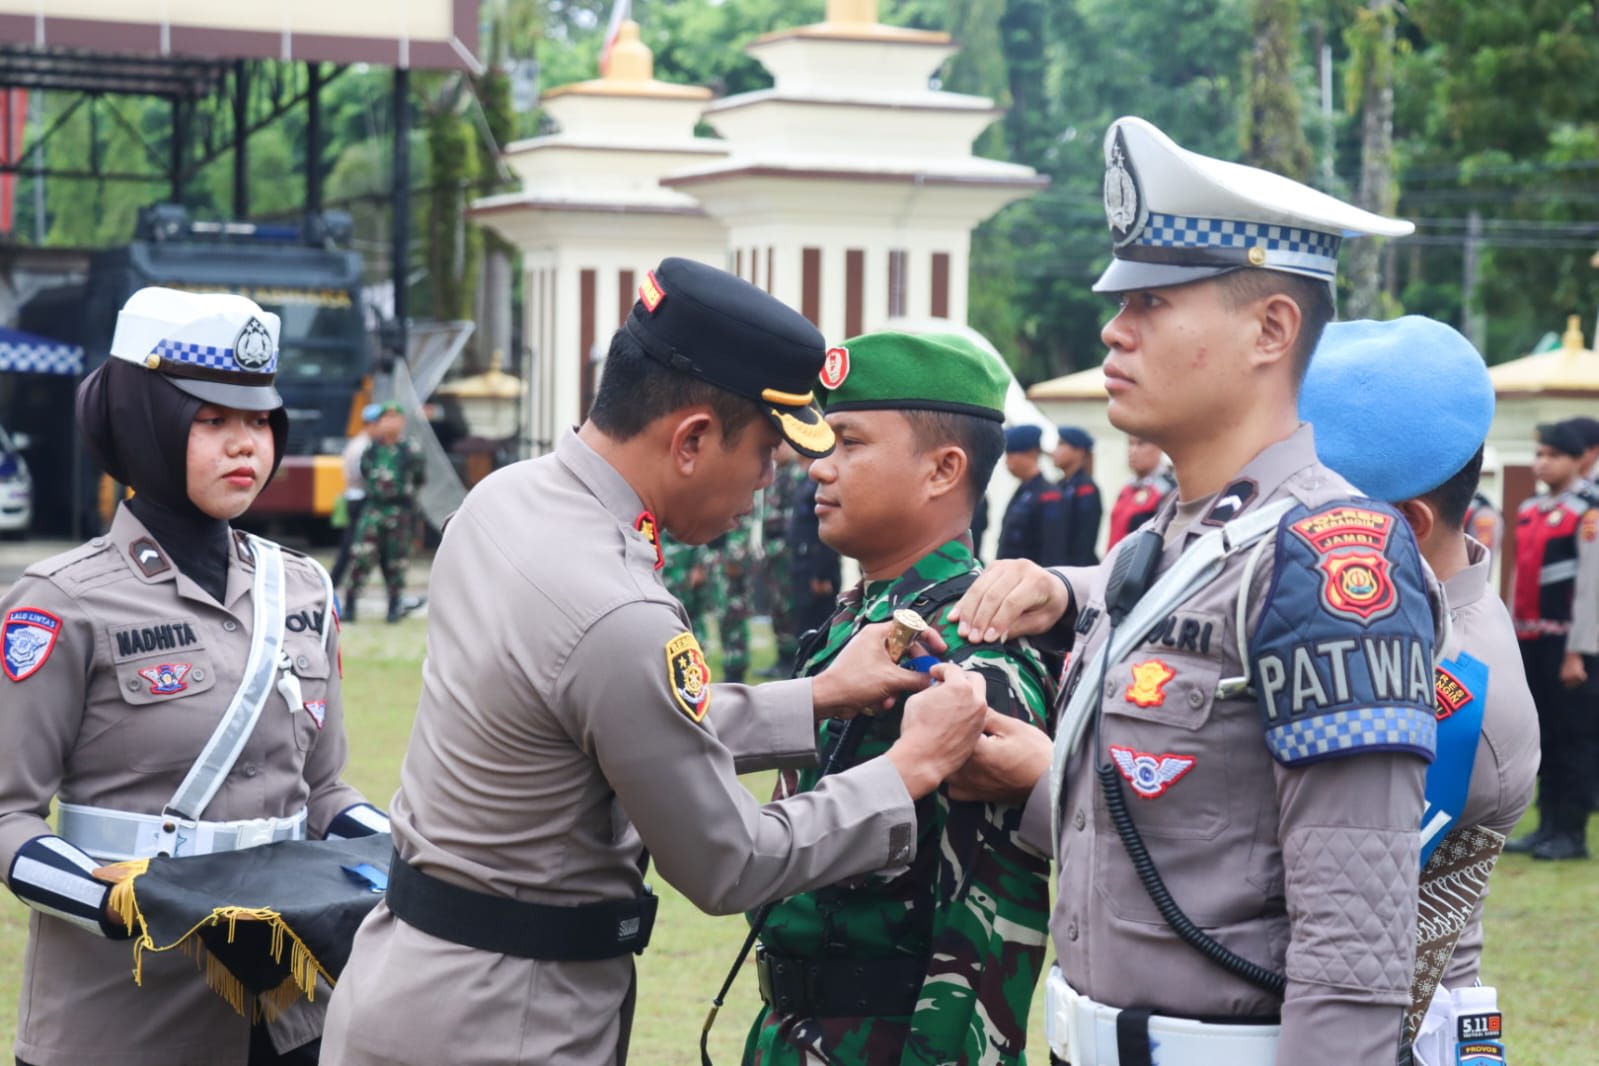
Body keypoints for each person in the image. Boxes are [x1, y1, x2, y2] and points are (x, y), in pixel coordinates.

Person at [320, 257, 994, 1066]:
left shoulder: (508, 499)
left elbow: (605, 723)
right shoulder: (619, 608)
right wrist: (908, 768)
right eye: (767, 452)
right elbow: (730, 860)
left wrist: (816, 696)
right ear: (693, 439)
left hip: (411, 978)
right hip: (506, 1020)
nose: (775, 479)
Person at [940, 115, 1440, 1066]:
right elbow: (1177, 835)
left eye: (1155, 302)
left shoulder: (1332, 564)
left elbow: (1353, 957)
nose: (1111, 329)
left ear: (1270, 328)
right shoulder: (1165, 547)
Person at [0, 287, 389, 1066]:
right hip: (125, 1013)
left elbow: (323, 793)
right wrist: (115, 903)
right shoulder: (62, 601)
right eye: (212, 421)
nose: (245, 445)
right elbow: (7, 814)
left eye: (258, 420)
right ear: (147, 422)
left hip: (290, 1008)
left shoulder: (304, 588)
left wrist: (414, 858)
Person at [744, 331, 1058, 1065]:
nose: (818, 467)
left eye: (849, 443)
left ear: (941, 470)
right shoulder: (861, 621)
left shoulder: (971, 645)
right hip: (796, 1031)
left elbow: (984, 915)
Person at [1299, 316, 1539, 1061]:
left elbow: (1287, 892)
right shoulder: (1406, 620)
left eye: (1305, 509)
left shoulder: (1447, 687)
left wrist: (1041, 782)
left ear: (1399, 524)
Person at [1506, 420, 1599, 860]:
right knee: (1542, 737)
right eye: (1538, 454)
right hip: (1531, 639)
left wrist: (1578, 651)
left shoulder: (1589, 511)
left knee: (1573, 737)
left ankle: (1571, 833)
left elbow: (1591, 588)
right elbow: (1518, 576)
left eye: (1552, 455)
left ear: (1579, 459)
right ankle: (1545, 828)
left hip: (1569, 645)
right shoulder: (1530, 509)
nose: (1541, 463)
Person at [343, 401, 425, 624]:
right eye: (385, 419)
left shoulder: (411, 450)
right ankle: (350, 607)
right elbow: (364, 472)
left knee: (396, 563)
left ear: (402, 421)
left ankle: (393, 608)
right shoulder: (371, 449)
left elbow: (419, 478)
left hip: (400, 512)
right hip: (375, 509)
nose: (390, 423)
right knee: (361, 558)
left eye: (394, 418)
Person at [759, 443, 807, 676]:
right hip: (772, 552)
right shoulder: (775, 475)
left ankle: (791, 660)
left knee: (788, 608)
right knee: (776, 607)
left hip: (786, 553)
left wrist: (781, 546)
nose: (776, 450)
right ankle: (781, 657)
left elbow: (796, 519)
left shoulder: (797, 476)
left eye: (781, 445)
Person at [329, 403, 381, 591]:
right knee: (351, 546)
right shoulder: (363, 445)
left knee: (352, 545)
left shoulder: (359, 442)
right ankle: (333, 582)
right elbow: (361, 473)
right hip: (360, 499)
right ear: (372, 424)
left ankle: (334, 581)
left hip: (355, 497)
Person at [788, 472, 842, 647]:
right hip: (803, 566)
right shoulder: (805, 480)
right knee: (803, 624)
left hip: (817, 570)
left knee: (819, 627)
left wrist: (822, 575)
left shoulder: (823, 483)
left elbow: (828, 535)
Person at [995, 425, 1056, 564]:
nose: (1007, 462)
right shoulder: (1023, 491)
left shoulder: (1047, 495)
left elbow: (1051, 551)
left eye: (1012, 455)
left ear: (1032, 454)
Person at [1106, 434, 1174, 549]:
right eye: (1130, 444)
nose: (1132, 451)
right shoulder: (1127, 487)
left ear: (1159, 447)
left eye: (1141, 444)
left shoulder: (1167, 489)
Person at [1050, 425, 1102, 564]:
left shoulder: (1086, 489)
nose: (1054, 452)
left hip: (1074, 569)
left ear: (1079, 452)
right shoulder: (1059, 485)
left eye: (1061, 445)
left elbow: (1085, 540)